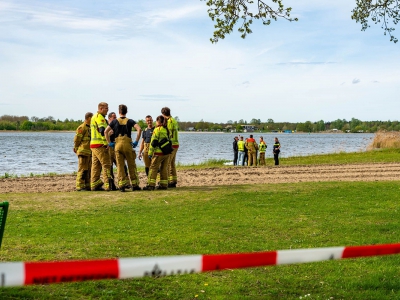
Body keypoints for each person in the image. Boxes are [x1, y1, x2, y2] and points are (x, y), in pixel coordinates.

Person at [105, 104, 142, 192]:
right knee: (131, 165)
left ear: (119, 112)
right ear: (126, 112)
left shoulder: (114, 122)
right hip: (127, 144)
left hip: (117, 144)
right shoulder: (130, 121)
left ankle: (121, 186)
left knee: (120, 166)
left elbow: (106, 132)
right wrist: (136, 141)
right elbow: (139, 129)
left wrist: (109, 143)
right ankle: (135, 184)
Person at [143, 115, 172, 191]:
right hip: (166, 153)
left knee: (153, 168)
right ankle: (164, 184)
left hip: (158, 153)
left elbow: (153, 143)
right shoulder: (167, 130)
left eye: (156, 121)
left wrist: (150, 153)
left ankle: (151, 185)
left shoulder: (157, 130)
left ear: (158, 122)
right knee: (164, 169)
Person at [90, 102, 113, 191]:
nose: (108, 110)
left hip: (93, 144)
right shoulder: (100, 117)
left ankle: (94, 184)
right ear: (100, 109)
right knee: (106, 164)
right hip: (100, 145)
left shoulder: (94, 117)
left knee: (96, 165)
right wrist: (107, 142)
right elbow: (102, 131)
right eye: (106, 108)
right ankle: (108, 185)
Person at [73, 112, 93, 191]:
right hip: (83, 151)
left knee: (88, 169)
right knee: (82, 169)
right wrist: (76, 147)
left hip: (89, 152)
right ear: (88, 118)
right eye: (92, 117)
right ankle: (79, 186)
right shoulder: (82, 127)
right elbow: (77, 139)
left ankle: (87, 185)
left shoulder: (90, 127)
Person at [161, 107, 179, 188]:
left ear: (163, 114)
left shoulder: (169, 121)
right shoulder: (174, 120)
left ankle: (167, 181)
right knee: (172, 163)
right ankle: (173, 180)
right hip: (175, 144)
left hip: (171, 144)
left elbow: (169, 133)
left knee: (167, 163)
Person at [107, 112, 118, 190]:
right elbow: (102, 136)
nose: (115, 119)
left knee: (121, 165)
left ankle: (124, 183)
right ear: (109, 118)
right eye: (114, 117)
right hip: (109, 149)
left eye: (116, 117)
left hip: (116, 147)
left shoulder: (116, 126)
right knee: (109, 167)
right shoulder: (106, 127)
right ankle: (112, 185)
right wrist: (108, 135)